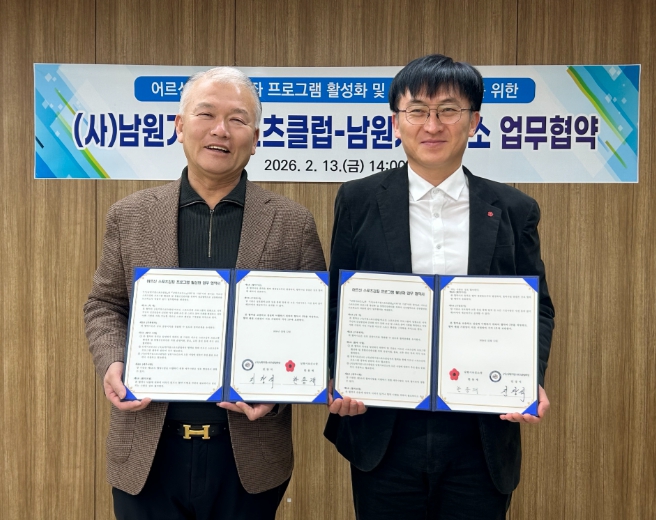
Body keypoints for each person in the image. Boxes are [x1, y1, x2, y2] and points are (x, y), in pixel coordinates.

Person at [84, 67, 326, 520]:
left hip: (249, 454)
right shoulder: (130, 215)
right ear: (179, 125)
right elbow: (105, 303)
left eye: (237, 119)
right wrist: (112, 361)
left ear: (256, 138)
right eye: (206, 114)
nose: (220, 130)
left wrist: (280, 391)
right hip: (148, 448)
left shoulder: (292, 222)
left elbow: (313, 323)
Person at [324, 54, 555, 520]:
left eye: (448, 110)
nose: (432, 125)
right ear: (396, 122)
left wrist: (526, 377)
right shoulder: (358, 199)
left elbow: (537, 308)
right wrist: (335, 373)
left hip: (480, 431)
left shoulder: (514, 208)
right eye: (417, 111)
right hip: (384, 428)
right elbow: (338, 300)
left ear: (474, 122)